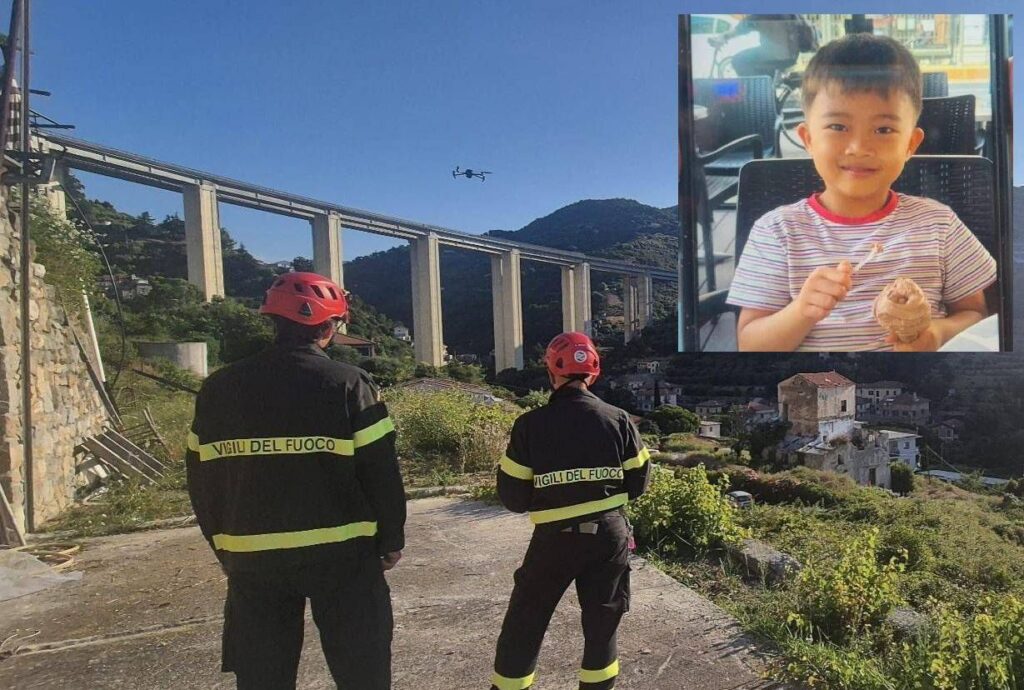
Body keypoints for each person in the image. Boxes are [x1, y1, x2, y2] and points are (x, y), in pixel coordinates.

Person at [185, 272, 405, 689]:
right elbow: (381, 471)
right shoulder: (348, 383)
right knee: (363, 672)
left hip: (254, 560)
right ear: (329, 326)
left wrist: (224, 545)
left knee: (263, 676)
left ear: (274, 320)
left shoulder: (217, 388)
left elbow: (201, 479)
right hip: (344, 558)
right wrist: (391, 538)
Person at [727, 33, 997, 352]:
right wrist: (801, 312)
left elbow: (975, 313)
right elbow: (750, 343)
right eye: (838, 127)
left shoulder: (939, 224)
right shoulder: (776, 232)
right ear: (808, 138)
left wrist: (936, 334)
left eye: (883, 130)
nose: (859, 148)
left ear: (910, 143)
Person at [489, 332, 651, 690]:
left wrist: (551, 499)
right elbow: (638, 484)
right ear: (593, 374)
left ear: (552, 372)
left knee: (525, 624)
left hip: (554, 540)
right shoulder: (620, 420)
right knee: (601, 626)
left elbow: (513, 497)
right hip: (609, 537)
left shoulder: (530, 425)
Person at [709, 15, 815, 79]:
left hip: (774, 55)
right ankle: (767, 91)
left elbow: (742, 28)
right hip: (791, 55)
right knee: (760, 66)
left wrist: (723, 37)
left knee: (738, 60)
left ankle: (757, 95)